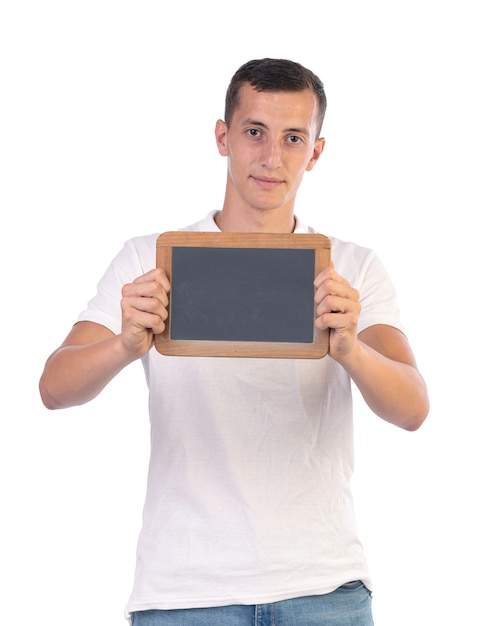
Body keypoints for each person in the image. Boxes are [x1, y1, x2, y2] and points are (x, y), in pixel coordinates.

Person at [39, 58, 429, 626]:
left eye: (294, 138)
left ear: (316, 151)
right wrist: (125, 344)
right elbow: (54, 387)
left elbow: (414, 407)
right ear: (223, 137)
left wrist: (349, 348)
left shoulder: (354, 268)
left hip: (323, 587)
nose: (273, 158)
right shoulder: (149, 257)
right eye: (254, 132)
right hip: (185, 591)